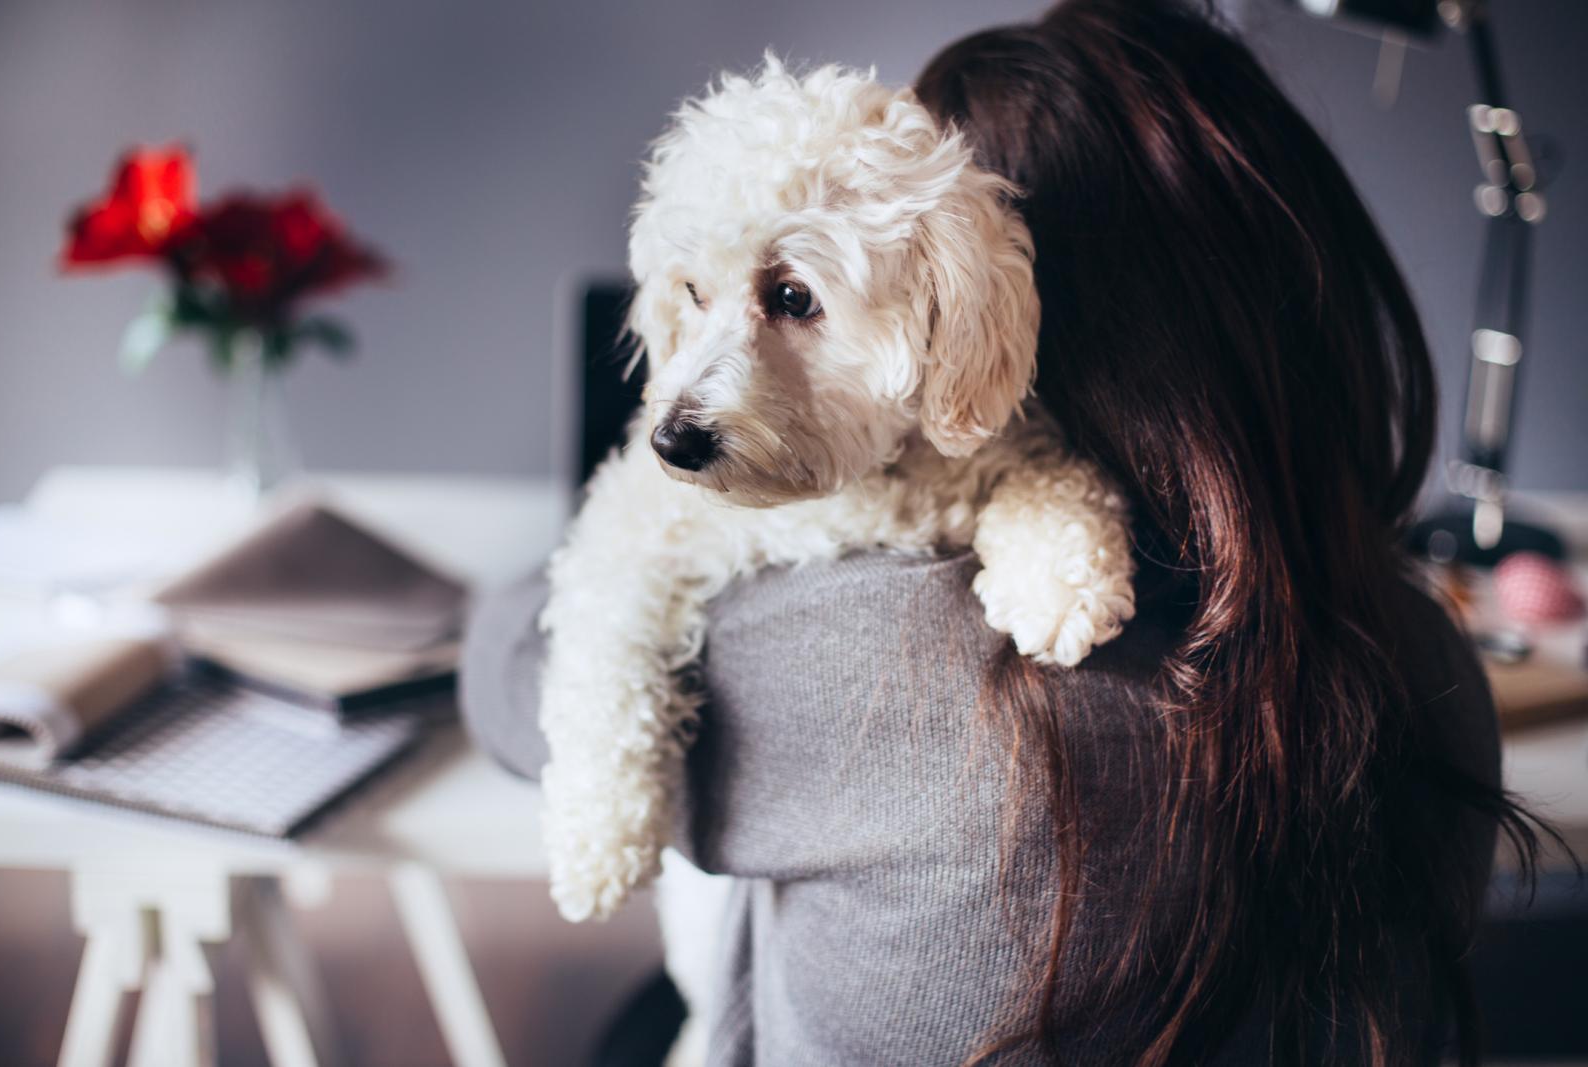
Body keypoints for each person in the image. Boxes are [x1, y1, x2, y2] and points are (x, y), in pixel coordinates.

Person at [462, 1, 1547, 1062]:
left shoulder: (859, 653)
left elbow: (512, 675)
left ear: (1014, 316)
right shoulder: (1430, 665)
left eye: (794, 296)